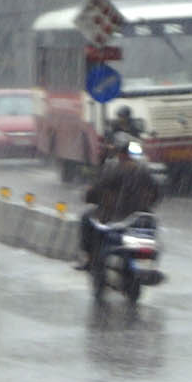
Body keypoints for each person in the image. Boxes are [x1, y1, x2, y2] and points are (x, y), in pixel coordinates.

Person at [73, 109, 162, 271]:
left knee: (86, 218)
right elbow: (157, 193)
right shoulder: (142, 170)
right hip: (136, 215)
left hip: (113, 217)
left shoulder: (113, 169)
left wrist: (90, 196)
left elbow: (95, 191)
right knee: (152, 223)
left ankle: (88, 257)